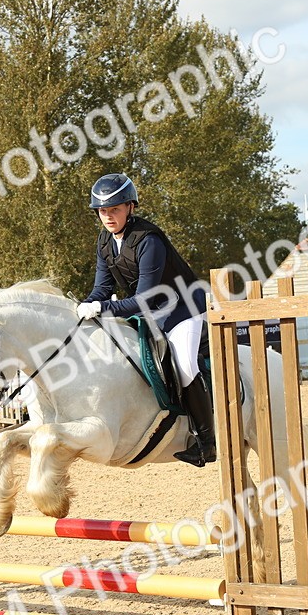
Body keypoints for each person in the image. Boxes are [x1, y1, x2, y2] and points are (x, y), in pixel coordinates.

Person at [77, 173, 215, 467]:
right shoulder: (105, 241)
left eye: (114, 209)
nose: (108, 216)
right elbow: (103, 288)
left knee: (185, 365)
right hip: (151, 311)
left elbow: (144, 299)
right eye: (103, 211)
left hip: (183, 308)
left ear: (130, 207)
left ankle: (206, 441)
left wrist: (102, 308)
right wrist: (86, 305)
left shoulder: (149, 240)